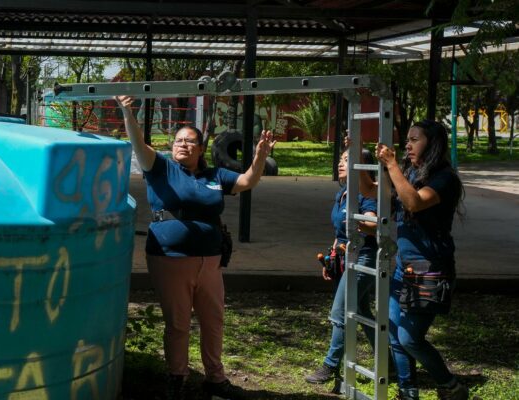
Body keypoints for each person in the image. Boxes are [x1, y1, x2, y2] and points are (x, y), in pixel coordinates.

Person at [116, 95, 275, 400]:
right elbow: (137, 143)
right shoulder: (160, 167)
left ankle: (215, 379)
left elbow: (246, 181)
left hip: (210, 260)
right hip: (170, 258)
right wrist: (127, 112)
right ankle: (177, 377)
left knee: (213, 320)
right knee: (178, 323)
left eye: (189, 141)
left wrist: (259, 157)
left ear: (201, 148)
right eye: (178, 140)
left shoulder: (215, 176)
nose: (182, 145)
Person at [361, 120, 468, 400]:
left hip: (430, 269)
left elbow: (414, 203)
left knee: (410, 338)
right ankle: (408, 392)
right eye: (406, 139)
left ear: (432, 143)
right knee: (395, 333)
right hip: (404, 268)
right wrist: (359, 158)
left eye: (414, 139)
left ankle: (451, 386)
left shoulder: (444, 178)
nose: (407, 144)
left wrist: (393, 167)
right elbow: (374, 192)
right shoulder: (410, 172)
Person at [304, 146, 379, 387]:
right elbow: (340, 232)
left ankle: (330, 365)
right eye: (341, 159)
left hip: (364, 257)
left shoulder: (369, 195)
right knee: (363, 311)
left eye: (348, 160)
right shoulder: (343, 193)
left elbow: (372, 223)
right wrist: (332, 257)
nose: (340, 163)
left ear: (363, 167)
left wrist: (362, 223)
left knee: (340, 313)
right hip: (345, 257)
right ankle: (388, 359)